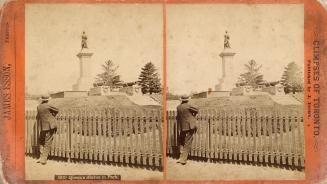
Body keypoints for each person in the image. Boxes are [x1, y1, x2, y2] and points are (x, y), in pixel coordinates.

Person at [176, 95, 199, 165]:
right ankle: (183, 160)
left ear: (181, 100)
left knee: (181, 141)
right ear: (187, 100)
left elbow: (178, 117)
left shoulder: (178, 107)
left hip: (182, 127)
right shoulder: (188, 106)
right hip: (190, 126)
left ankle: (180, 157)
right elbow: (197, 110)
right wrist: (193, 115)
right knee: (187, 142)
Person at [36, 95, 59, 165]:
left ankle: (41, 157)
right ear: (47, 100)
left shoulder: (39, 106)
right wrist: (53, 114)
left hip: (43, 126)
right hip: (50, 126)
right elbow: (57, 110)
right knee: (48, 142)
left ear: (42, 100)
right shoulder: (48, 105)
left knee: (41, 141)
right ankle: (44, 159)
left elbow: (38, 116)